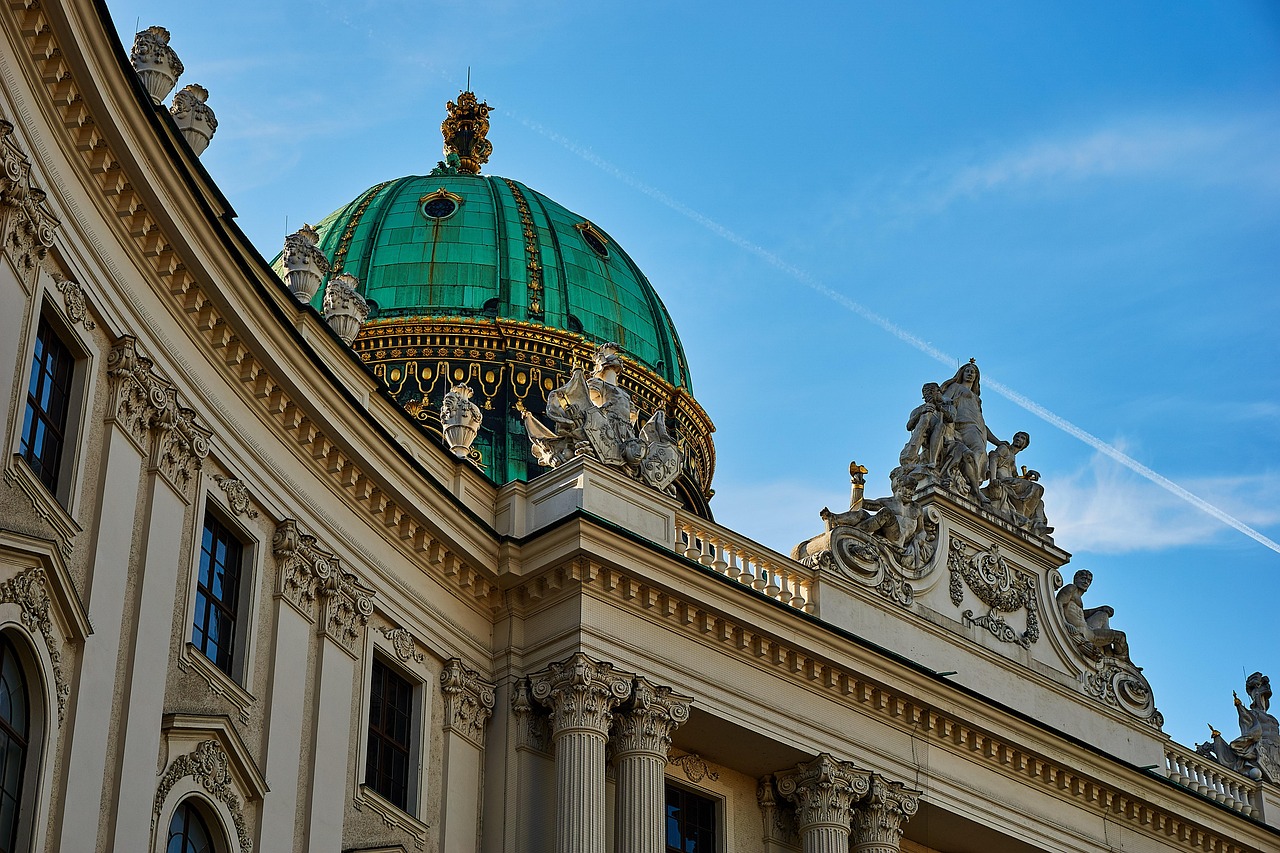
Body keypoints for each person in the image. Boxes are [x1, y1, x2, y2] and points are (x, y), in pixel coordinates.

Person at [938, 360, 999, 502]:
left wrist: (997, 441)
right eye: (968, 371)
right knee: (977, 451)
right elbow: (944, 397)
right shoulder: (956, 386)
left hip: (978, 429)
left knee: (978, 453)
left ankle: (970, 482)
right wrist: (948, 401)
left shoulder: (977, 399)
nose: (970, 374)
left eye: (974, 372)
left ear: (977, 377)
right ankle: (971, 484)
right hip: (963, 425)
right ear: (962, 373)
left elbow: (983, 423)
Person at [983, 431, 1052, 536]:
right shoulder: (1004, 448)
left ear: (1024, 445)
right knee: (1038, 489)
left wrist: (1028, 475)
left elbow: (1015, 477)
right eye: (1017, 436)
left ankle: (1038, 524)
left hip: (1011, 482)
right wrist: (993, 480)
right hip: (1004, 482)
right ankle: (1023, 517)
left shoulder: (1013, 457)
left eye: (1022, 438)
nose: (1018, 438)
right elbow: (993, 459)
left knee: (1039, 502)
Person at [1054, 569, 1129, 660]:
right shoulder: (1071, 588)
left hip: (1087, 629)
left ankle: (1108, 652)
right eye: (1083, 578)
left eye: (1089, 580)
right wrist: (1065, 623)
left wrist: (1100, 609)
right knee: (1120, 637)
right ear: (1076, 579)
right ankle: (1122, 659)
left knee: (1103, 614)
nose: (1086, 582)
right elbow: (1058, 603)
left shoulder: (1077, 596)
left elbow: (1082, 614)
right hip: (1081, 632)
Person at [900, 382, 952, 469]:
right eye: (937, 391)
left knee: (940, 426)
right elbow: (909, 427)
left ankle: (932, 461)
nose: (940, 393)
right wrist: (922, 412)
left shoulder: (947, 407)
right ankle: (910, 457)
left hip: (942, 438)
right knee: (925, 417)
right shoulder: (918, 409)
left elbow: (951, 419)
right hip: (923, 437)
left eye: (938, 391)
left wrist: (940, 409)